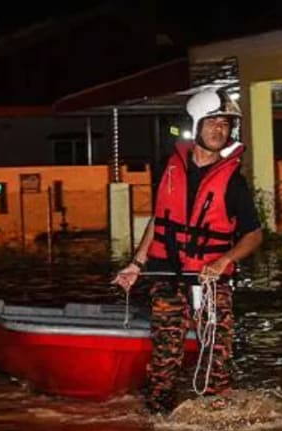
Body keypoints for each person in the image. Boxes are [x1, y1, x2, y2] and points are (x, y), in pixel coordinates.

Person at [112, 89, 263, 414]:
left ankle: (217, 419)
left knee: (217, 355)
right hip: (167, 277)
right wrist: (136, 264)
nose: (219, 130)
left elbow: (254, 234)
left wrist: (224, 261)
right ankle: (160, 420)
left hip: (211, 281)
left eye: (225, 124)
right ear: (196, 125)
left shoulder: (234, 182)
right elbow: (160, 220)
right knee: (164, 356)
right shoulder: (168, 169)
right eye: (212, 123)